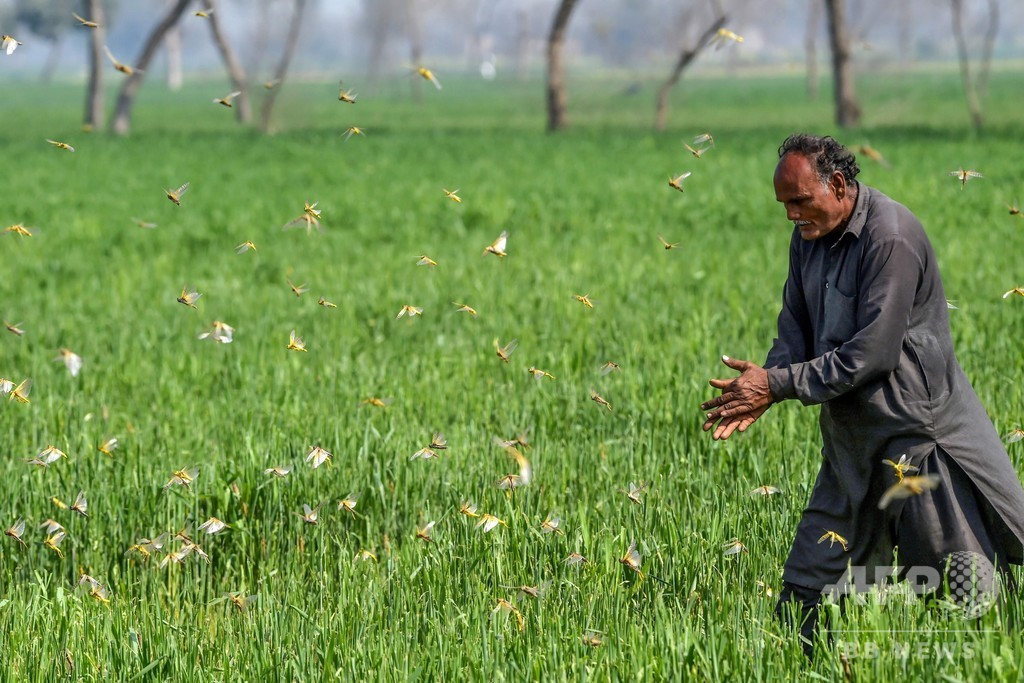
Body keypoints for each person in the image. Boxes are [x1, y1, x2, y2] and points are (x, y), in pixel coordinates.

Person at [699, 133, 1024, 658]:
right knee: (809, 587)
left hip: (916, 440)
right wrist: (762, 383)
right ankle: (808, 668)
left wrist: (776, 385)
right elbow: (795, 326)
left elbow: (873, 352)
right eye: (783, 205)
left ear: (840, 185)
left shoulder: (890, 237)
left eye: (800, 201)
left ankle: (987, 665)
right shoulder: (808, 236)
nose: (791, 216)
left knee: (959, 594)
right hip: (852, 440)